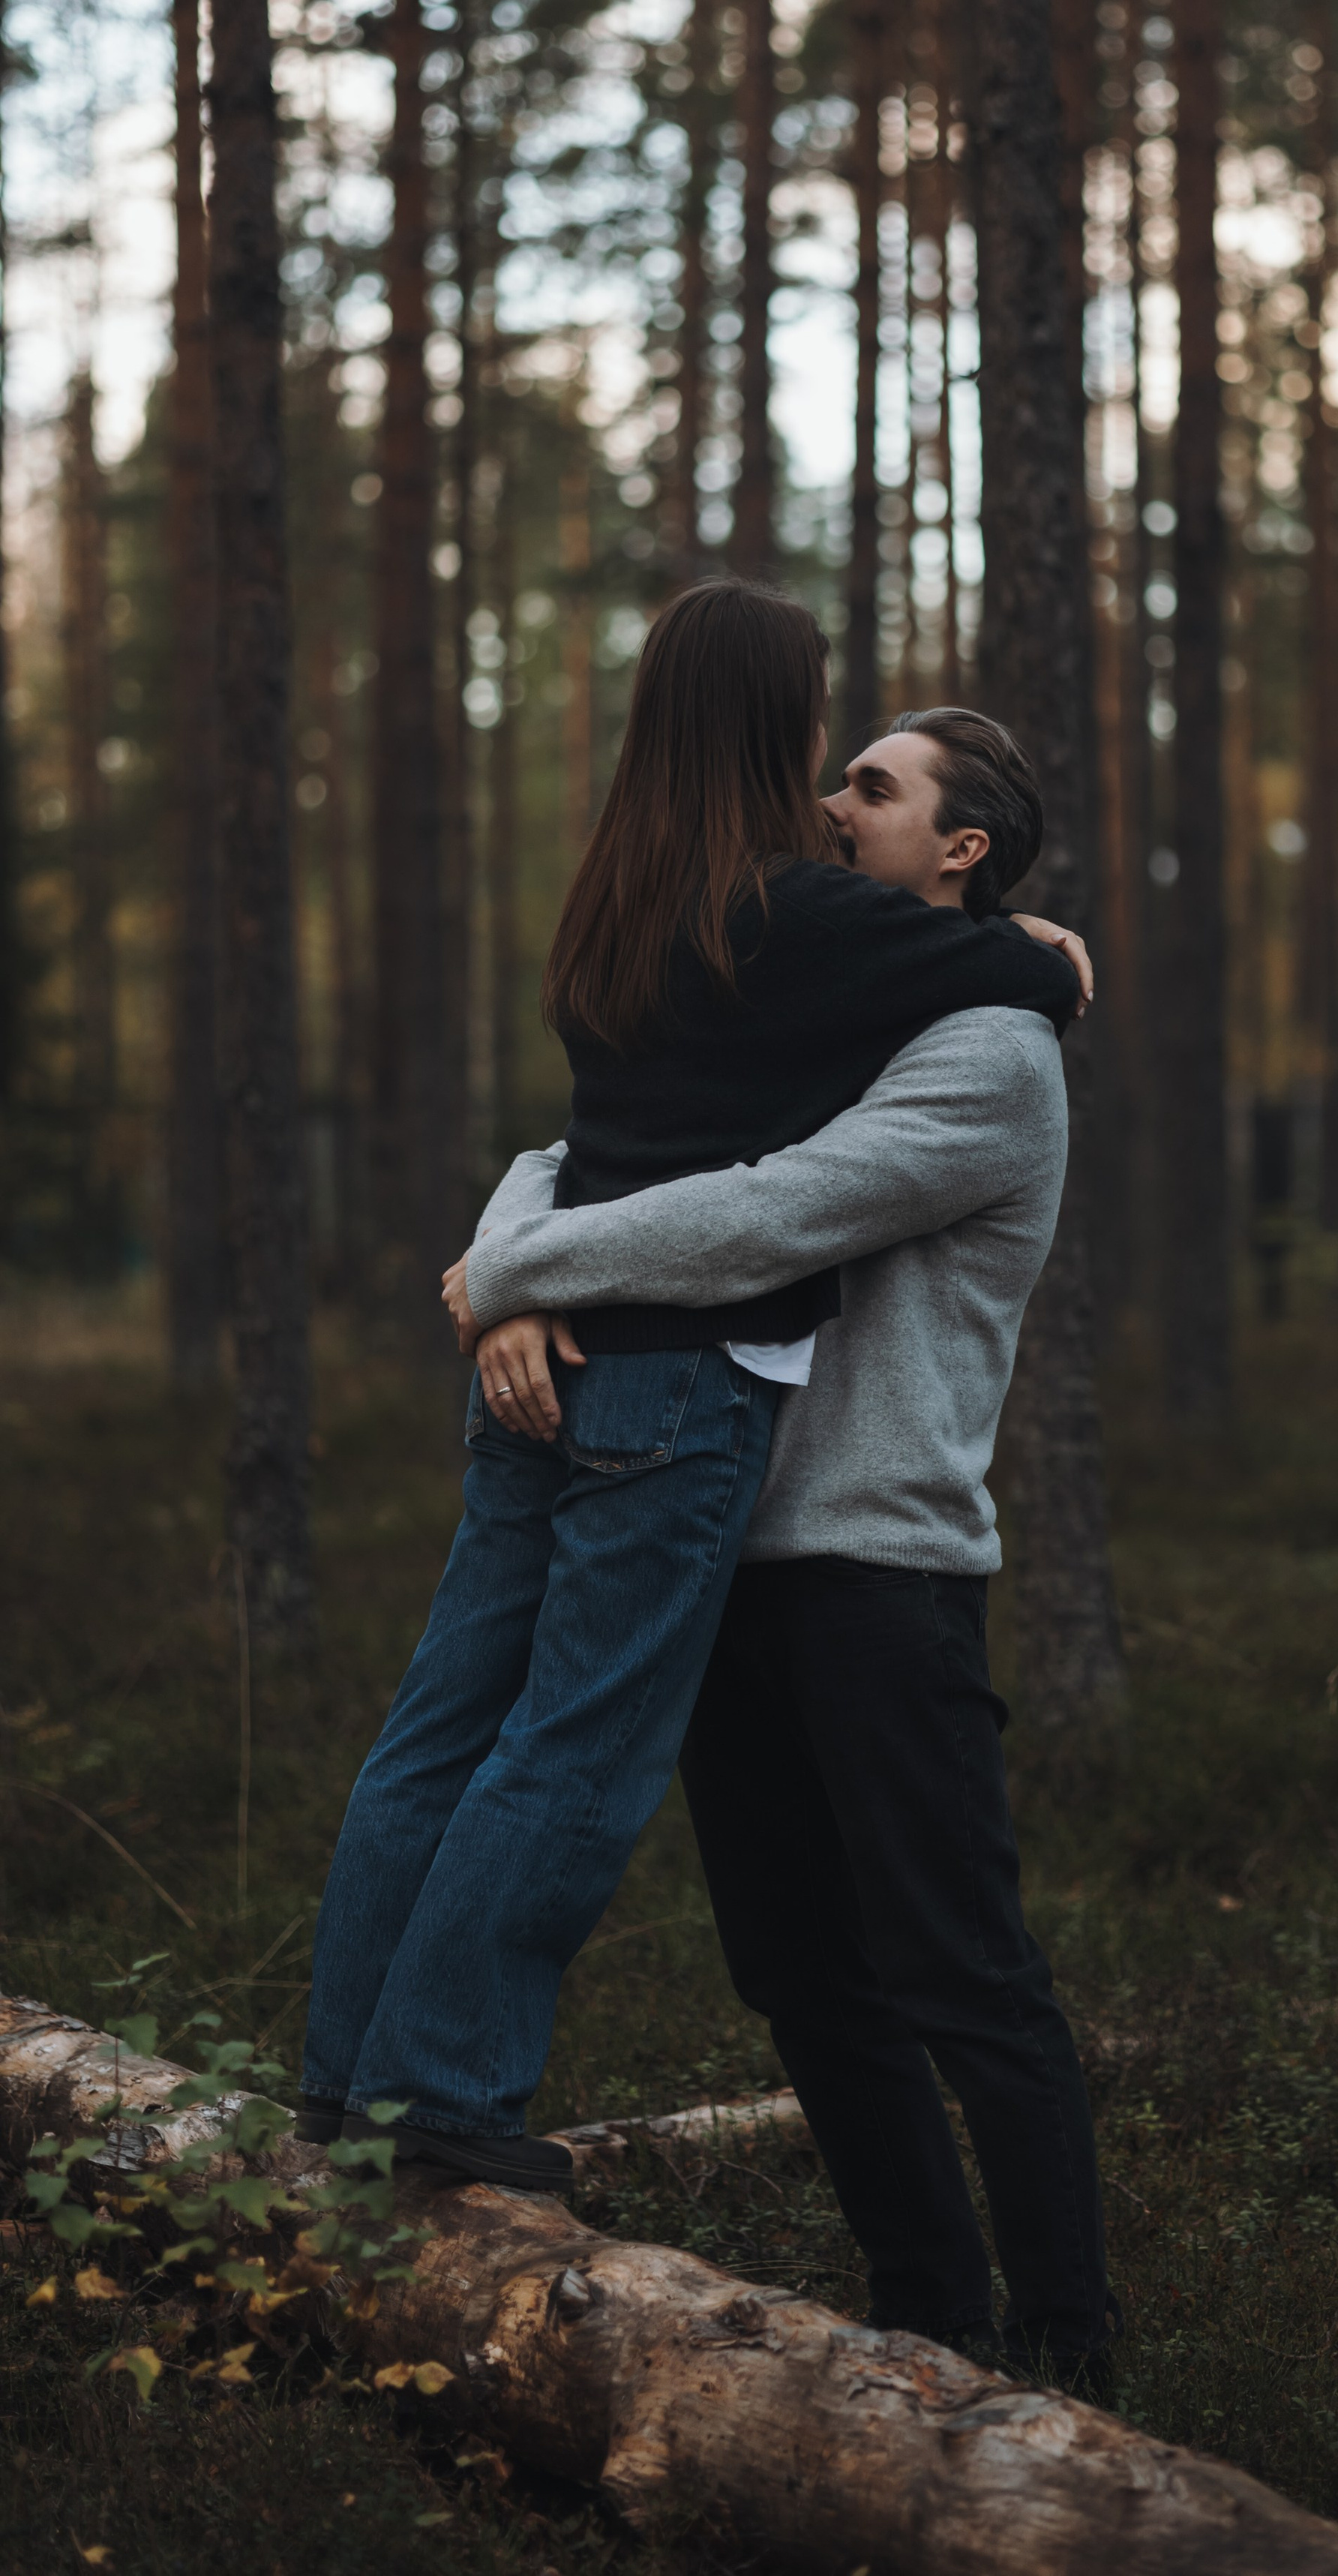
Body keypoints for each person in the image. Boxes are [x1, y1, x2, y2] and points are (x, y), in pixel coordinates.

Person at [298, 596, 1084, 2191]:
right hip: (671, 1388)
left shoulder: (618, 901)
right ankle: (437, 2105)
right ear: (768, 723)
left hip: (548, 1377)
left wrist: (515, 1275)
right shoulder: (798, 920)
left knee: (438, 1731)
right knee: (575, 1750)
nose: (826, 783)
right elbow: (1010, 968)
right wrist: (1035, 952)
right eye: (819, 740)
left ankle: (345, 2090)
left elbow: (587, 1148)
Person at [444, 706, 1114, 2384]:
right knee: (799, 1978)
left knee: (961, 1974)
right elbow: (566, 1157)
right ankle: (928, 2323)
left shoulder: (989, 1059)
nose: (828, 805)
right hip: (714, 1555)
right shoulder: (833, 1008)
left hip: (878, 1568)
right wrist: (502, 1280)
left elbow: (767, 1211)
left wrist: (525, 1279)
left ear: (956, 851)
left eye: (871, 791)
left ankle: (1072, 2351)